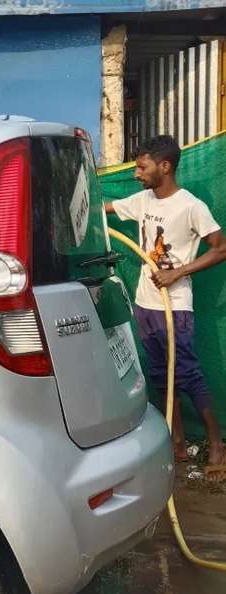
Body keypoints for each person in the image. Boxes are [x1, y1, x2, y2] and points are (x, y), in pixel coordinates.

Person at [105, 134, 226, 472]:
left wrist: (178, 273)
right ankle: (178, 443)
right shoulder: (143, 200)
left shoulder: (190, 206)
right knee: (160, 374)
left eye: (142, 167)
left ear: (165, 166)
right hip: (146, 304)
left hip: (175, 304)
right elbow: (107, 209)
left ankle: (217, 446)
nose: (136, 173)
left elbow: (221, 248)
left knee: (187, 373)